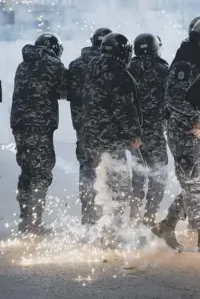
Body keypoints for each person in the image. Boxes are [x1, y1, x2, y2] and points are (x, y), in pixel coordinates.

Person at [152, 15, 200, 252]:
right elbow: (173, 99)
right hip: (187, 133)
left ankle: (168, 224)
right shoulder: (186, 64)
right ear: (197, 39)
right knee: (197, 185)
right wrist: (193, 118)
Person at [82, 32, 142, 242]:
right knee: (118, 187)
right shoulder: (119, 74)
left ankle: (92, 228)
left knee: (96, 182)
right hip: (112, 140)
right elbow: (124, 109)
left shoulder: (92, 68)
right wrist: (134, 134)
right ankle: (112, 233)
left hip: (91, 137)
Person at [10, 33, 68, 235]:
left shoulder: (23, 64)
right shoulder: (53, 65)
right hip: (40, 127)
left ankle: (25, 219)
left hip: (20, 125)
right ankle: (33, 224)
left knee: (27, 172)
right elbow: (66, 90)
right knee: (41, 174)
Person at [67, 27, 112, 225]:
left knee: (87, 170)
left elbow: (67, 93)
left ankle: (88, 216)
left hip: (83, 128)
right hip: (107, 129)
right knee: (110, 171)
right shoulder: (110, 64)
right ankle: (109, 218)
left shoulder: (76, 65)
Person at [128, 33, 169, 227]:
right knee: (158, 174)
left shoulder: (127, 69)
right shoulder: (162, 70)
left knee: (138, 172)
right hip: (155, 133)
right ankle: (150, 216)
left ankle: (134, 213)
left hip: (133, 132)